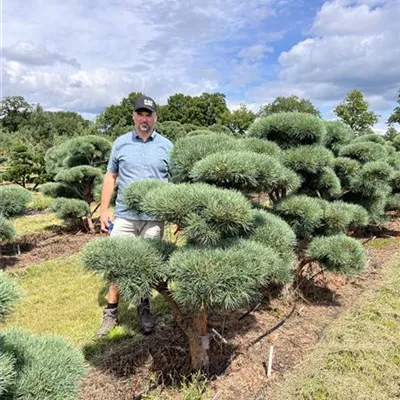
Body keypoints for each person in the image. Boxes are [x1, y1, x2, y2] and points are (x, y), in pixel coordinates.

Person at [97, 95, 173, 337]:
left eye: (149, 114)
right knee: (117, 264)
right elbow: (110, 176)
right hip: (125, 216)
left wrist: (178, 213)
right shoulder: (120, 143)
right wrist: (104, 209)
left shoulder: (167, 146)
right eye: (140, 113)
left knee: (146, 265)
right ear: (133, 116)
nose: (144, 118)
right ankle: (111, 313)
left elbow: (175, 182)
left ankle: (144, 309)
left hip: (154, 217)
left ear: (155, 118)